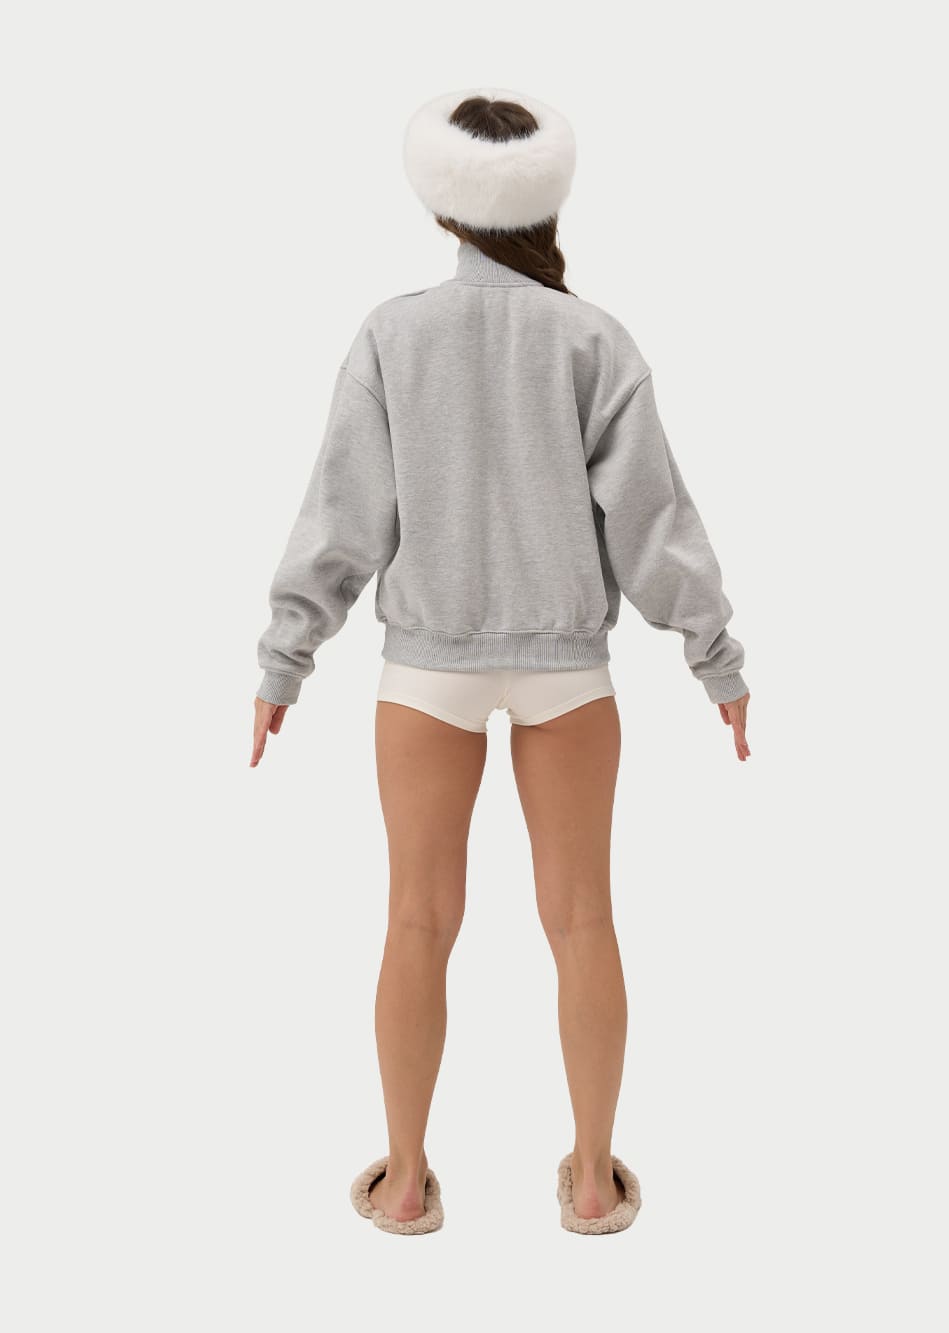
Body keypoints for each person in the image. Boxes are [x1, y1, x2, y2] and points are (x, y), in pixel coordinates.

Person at [250, 87, 751, 1236]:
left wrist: (285, 661)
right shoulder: (593, 338)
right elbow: (654, 526)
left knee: (416, 920)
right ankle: (592, 1177)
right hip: (567, 669)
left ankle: (405, 1179)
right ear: (546, 198)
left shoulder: (391, 336)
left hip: (426, 669)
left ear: (443, 205)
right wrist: (714, 658)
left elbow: (340, 520)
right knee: (582, 919)